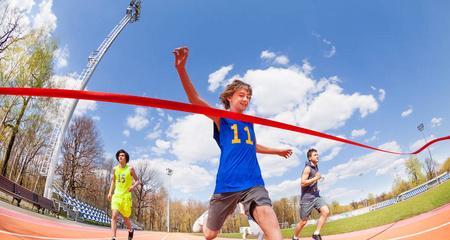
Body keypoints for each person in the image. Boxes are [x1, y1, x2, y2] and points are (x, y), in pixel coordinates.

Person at [174, 46, 292, 240]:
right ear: (229, 97)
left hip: (253, 182)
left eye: (249, 97)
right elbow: (194, 100)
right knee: (210, 235)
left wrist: (277, 151)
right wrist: (181, 69)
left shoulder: (250, 122)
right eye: (242, 95)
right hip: (227, 184)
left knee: (274, 232)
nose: (246, 99)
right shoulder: (221, 118)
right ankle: (207, 218)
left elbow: (252, 146)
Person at [292, 149, 329, 240]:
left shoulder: (316, 167)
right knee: (303, 222)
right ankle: (295, 237)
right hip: (307, 199)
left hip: (316, 196)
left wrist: (319, 177)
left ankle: (316, 234)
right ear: (310, 158)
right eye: (315, 155)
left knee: (326, 211)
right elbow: (302, 183)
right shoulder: (307, 168)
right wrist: (315, 178)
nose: (317, 156)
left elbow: (315, 176)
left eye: (317, 154)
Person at [108, 149, 140, 240]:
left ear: (126, 158)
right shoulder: (115, 169)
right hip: (117, 196)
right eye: (119, 156)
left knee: (126, 218)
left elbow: (138, 181)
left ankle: (130, 230)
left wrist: (133, 186)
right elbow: (113, 181)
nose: (120, 157)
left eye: (122, 155)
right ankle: (113, 237)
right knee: (114, 215)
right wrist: (110, 192)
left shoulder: (130, 169)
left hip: (126, 197)